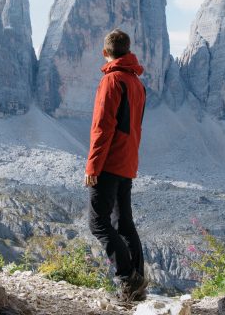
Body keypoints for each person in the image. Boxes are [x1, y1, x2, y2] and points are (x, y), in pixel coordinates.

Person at [84, 28, 148, 302]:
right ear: (128, 49)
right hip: (128, 160)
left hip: (109, 162)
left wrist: (92, 167)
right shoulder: (136, 82)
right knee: (124, 224)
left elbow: (103, 127)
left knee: (98, 223)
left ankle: (128, 279)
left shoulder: (112, 81)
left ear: (105, 52)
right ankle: (139, 284)